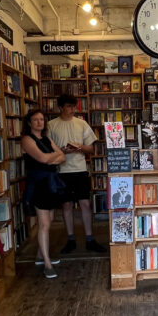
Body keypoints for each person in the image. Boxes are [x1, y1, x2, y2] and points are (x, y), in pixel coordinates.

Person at [47, 94, 106, 254]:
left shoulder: (82, 124)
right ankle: (71, 239)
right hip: (61, 171)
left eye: (74, 107)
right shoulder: (51, 125)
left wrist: (79, 147)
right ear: (60, 107)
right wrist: (61, 151)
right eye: (69, 107)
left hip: (80, 170)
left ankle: (90, 238)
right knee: (66, 205)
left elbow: (91, 149)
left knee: (85, 204)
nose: (73, 110)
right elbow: (47, 150)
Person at [21, 109, 66, 279]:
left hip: (50, 183)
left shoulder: (46, 138)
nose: (39, 122)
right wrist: (54, 156)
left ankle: (41, 256)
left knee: (49, 220)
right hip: (39, 184)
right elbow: (42, 159)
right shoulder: (27, 140)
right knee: (44, 223)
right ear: (29, 123)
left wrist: (53, 157)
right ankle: (47, 263)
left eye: (42, 119)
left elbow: (63, 157)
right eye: (35, 119)